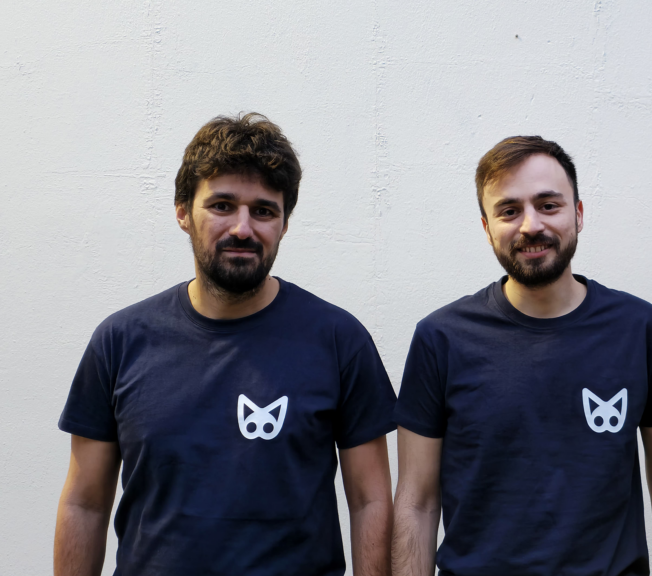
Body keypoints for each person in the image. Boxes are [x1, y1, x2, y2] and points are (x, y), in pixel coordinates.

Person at [54, 113, 397, 576]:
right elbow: (84, 503)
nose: (242, 228)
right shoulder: (119, 341)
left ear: (284, 223)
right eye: (222, 205)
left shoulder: (339, 340)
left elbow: (370, 500)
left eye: (264, 211)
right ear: (182, 212)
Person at [392, 136, 652, 576]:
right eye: (509, 211)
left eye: (548, 205)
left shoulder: (639, 327)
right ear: (486, 228)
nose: (531, 225)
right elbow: (416, 501)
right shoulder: (441, 337)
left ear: (579, 214)